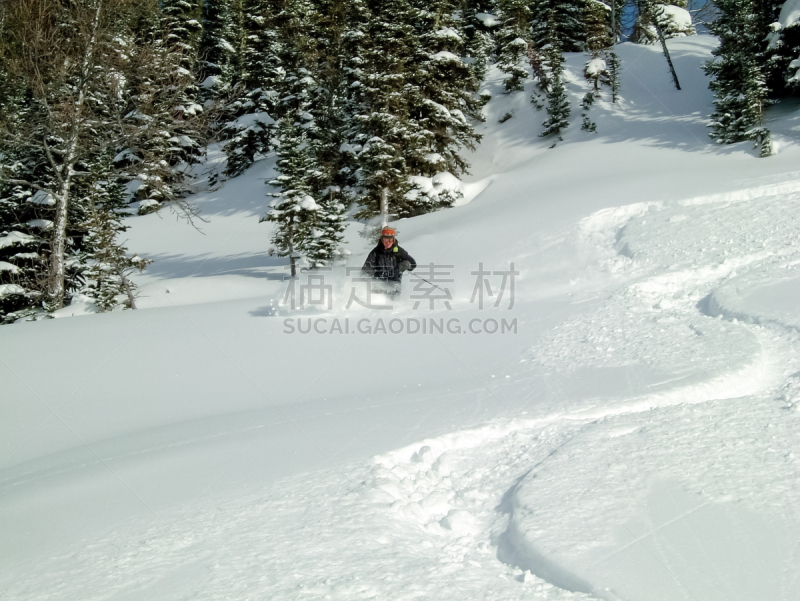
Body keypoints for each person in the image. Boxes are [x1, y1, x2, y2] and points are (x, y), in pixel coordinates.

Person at [361, 226, 416, 297]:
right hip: (378, 285)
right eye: (385, 240)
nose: (388, 243)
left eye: (390, 240)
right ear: (382, 239)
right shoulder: (375, 253)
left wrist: (405, 265)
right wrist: (367, 277)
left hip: (394, 285)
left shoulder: (399, 251)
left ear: (393, 240)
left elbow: (413, 263)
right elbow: (365, 270)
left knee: (393, 304)